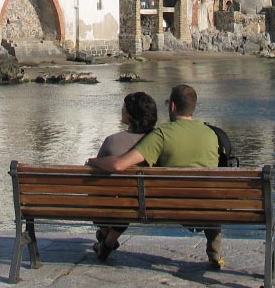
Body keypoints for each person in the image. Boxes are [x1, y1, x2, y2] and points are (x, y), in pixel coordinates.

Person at [86, 84, 225, 270]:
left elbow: (119, 165)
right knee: (207, 192)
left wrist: (93, 161)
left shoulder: (162, 134)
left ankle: (106, 237)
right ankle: (214, 252)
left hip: (170, 205)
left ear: (172, 107)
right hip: (208, 207)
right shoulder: (212, 134)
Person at [90, 92, 158, 261]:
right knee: (126, 201)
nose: (121, 110)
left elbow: (92, 173)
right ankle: (107, 240)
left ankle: (106, 237)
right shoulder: (159, 140)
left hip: (111, 203)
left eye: (124, 108)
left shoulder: (112, 141)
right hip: (148, 204)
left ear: (130, 115)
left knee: (106, 195)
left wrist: (91, 160)